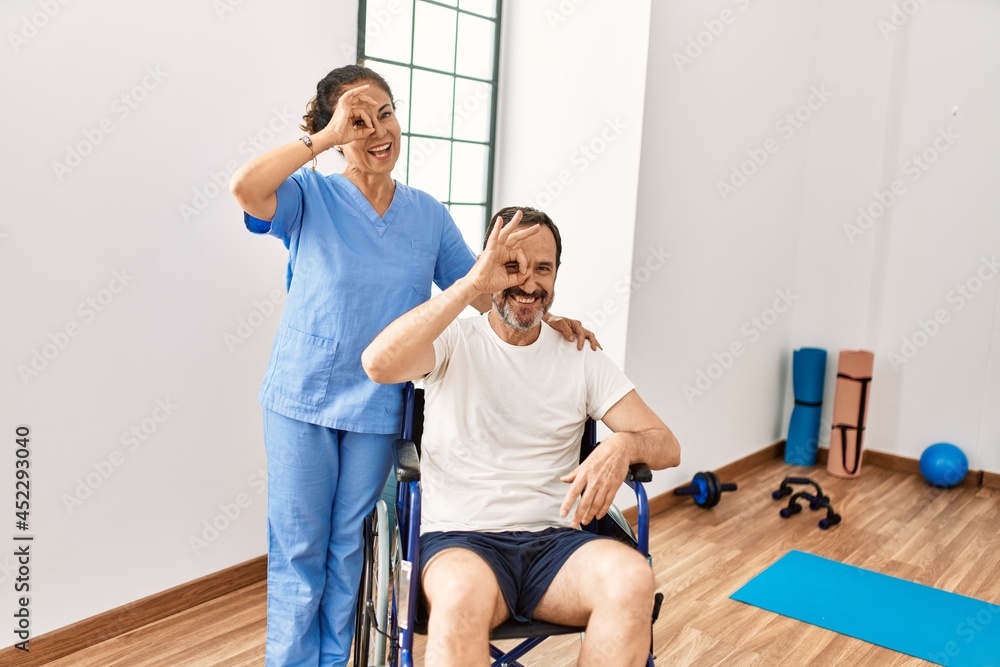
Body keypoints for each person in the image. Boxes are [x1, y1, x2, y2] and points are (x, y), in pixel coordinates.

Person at [229, 66, 598, 667]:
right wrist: (323, 140)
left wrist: (544, 314)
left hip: (378, 409)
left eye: (385, 113)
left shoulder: (426, 215)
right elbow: (245, 189)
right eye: (359, 118)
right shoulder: (309, 195)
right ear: (334, 127)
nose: (377, 130)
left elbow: (482, 290)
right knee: (299, 550)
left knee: (351, 549)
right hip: (302, 400)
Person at [362, 207, 682, 666]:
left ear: (556, 274)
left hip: (556, 545)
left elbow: (666, 443)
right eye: (511, 266)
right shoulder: (455, 342)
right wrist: (471, 284)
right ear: (488, 267)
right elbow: (378, 363)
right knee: (458, 597)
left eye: (542, 268)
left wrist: (623, 445)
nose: (529, 283)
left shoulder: (580, 355)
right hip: (460, 541)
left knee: (632, 578)